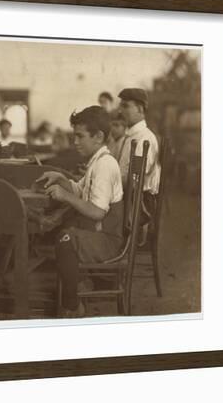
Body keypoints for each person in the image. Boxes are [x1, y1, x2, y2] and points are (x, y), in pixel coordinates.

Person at [35, 106, 124, 318]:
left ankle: (73, 305)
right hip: (99, 232)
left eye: (79, 136)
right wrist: (61, 179)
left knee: (65, 239)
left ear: (98, 136)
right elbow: (80, 189)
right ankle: (77, 283)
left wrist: (65, 196)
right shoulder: (97, 161)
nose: (75, 142)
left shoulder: (104, 165)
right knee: (65, 231)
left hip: (108, 240)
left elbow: (97, 212)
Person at [117, 88, 161, 195]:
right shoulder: (129, 137)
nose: (120, 110)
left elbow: (134, 181)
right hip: (126, 197)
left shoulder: (143, 139)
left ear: (140, 109)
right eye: (120, 106)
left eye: (125, 106)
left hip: (138, 204)